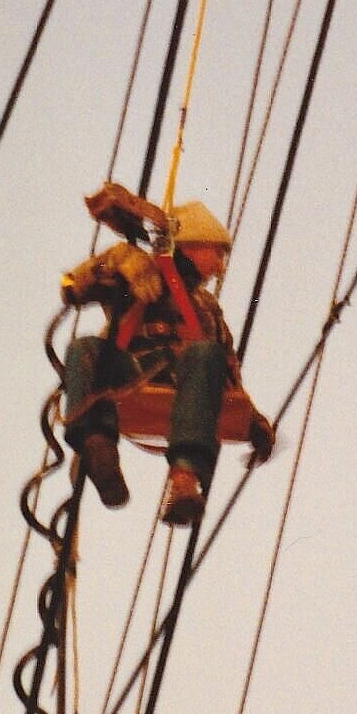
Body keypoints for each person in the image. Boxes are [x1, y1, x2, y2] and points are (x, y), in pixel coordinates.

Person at [60, 190, 274, 526]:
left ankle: (185, 480)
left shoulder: (207, 308)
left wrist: (256, 422)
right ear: (192, 245)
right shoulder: (134, 269)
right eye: (217, 254)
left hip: (185, 382)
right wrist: (116, 261)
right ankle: (97, 448)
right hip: (132, 373)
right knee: (83, 349)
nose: (220, 266)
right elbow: (71, 287)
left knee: (207, 354)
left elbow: (228, 370)